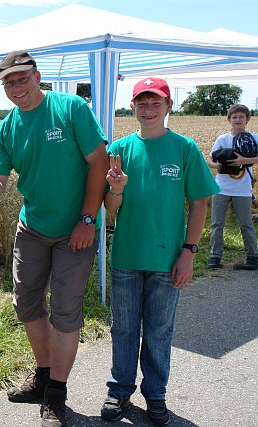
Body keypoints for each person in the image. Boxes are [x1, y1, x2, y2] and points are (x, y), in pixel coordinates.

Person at [0, 50, 109, 427]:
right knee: (27, 304)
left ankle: (56, 396)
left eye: (22, 78)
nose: (17, 87)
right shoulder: (6, 130)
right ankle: (44, 374)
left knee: (65, 310)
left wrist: (87, 219)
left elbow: (99, 162)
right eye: (9, 82)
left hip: (75, 228)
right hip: (32, 227)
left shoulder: (71, 109)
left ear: (38, 76)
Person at [101, 77, 219, 426]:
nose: (148, 109)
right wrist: (116, 189)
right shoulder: (120, 150)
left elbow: (200, 202)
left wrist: (189, 253)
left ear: (169, 106)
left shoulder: (184, 148)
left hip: (168, 258)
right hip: (127, 256)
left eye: (156, 102)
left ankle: (155, 393)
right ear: (132, 107)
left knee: (158, 330)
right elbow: (110, 209)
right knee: (123, 328)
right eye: (142, 102)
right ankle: (120, 389)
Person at [206, 104, 258, 270]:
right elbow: (209, 160)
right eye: (234, 117)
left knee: (246, 224)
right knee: (217, 224)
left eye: (241, 117)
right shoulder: (222, 139)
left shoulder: (254, 138)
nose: (237, 120)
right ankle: (215, 257)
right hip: (221, 187)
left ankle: (252, 257)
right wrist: (218, 166)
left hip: (242, 189)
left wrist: (244, 161)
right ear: (229, 120)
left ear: (247, 119)